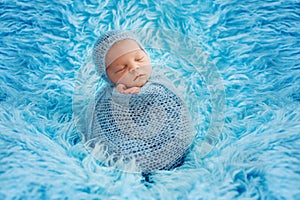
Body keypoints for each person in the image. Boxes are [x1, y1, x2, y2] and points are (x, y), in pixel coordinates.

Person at [84, 30, 194, 173]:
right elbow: (99, 128)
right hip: (130, 149)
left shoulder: (161, 82)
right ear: (108, 77)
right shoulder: (106, 99)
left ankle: (169, 156)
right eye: (121, 68)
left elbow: (175, 107)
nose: (134, 67)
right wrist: (121, 99)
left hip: (165, 140)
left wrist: (144, 94)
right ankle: (137, 165)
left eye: (139, 59)